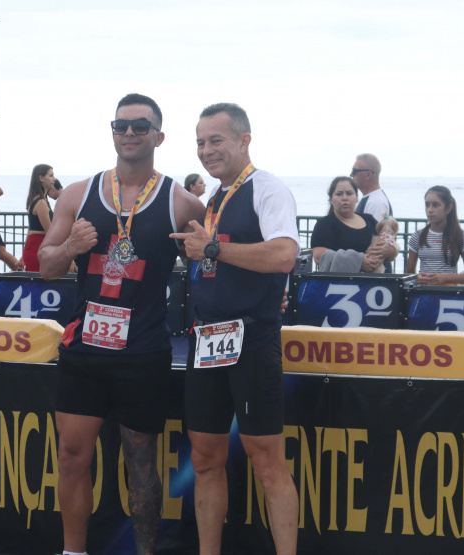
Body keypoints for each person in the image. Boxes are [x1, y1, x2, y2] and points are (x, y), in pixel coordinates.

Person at [37, 93, 203, 555]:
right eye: (121, 126)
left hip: (142, 353)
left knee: (142, 465)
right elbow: (46, 265)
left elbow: (214, 259)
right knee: (71, 456)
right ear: (112, 132)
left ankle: (144, 551)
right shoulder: (78, 193)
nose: (129, 134)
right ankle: (74, 552)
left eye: (140, 127)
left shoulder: (181, 201)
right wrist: (71, 245)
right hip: (85, 349)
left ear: (159, 136)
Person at [170, 103, 300, 555]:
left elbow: (284, 255)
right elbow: (214, 260)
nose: (206, 150)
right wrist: (202, 250)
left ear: (245, 140)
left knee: (267, 461)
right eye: (201, 142)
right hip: (207, 341)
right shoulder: (214, 200)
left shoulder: (268, 189)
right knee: (205, 458)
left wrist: (211, 250)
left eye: (216, 140)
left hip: (252, 339)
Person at [310, 176, 395, 273]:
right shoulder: (324, 224)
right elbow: (318, 256)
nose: (345, 198)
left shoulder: (369, 219)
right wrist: (358, 262)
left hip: (372, 284)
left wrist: (389, 250)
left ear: (356, 198)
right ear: (331, 200)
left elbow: (389, 240)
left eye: (349, 193)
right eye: (339, 194)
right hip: (337, 284)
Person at [406, 186, 464, 285]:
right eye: (427, 205)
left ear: (448, 208)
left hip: (448, 294)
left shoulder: (460, 236)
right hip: (424, 295)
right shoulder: (418, 236)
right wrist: (417, 278)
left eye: (435, 205)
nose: (430, 210)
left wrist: (445, 277)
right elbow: (409, 274)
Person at [351, 153, 395, 272]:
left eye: (354, 171)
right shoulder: (372, 199)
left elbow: (378, 240)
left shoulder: (376, 202)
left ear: (368, 174)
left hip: (375, 271)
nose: (351, 175)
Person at [22, 163, 55, 271]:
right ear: (41, 178)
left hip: (35, 246)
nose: (54, 179)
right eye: (50, 176)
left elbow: (30, 229)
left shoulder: (36, 199)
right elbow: (50, 232)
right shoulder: (41, 202)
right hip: (37, 247)